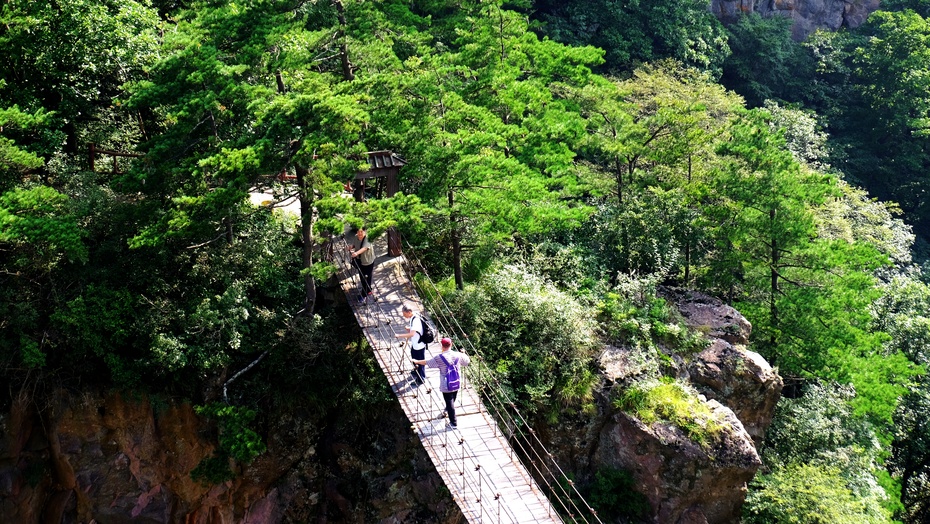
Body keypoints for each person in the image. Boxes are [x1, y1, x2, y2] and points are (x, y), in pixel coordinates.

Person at [412, 337, 470, 430]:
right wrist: (463, 353)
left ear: (442, 346)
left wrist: (416, 361)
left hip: (446, 384)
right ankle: (447, 410)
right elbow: (467, 362)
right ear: (451, 344)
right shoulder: (458, 355)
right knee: (452, 398)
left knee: (449, 401)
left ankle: (453, 423)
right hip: (456, 381)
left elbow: (428, 363)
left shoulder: (439, 358)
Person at [396, 303, 427, 385]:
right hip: (415, 344)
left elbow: (412, 334)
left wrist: (399, 336)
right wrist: (409, 328)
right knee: (413, 357)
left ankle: (421, 379)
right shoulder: (414, 316)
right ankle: (416, 371)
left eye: (404, 313)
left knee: (420, 361)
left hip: (419, 345)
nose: (403, 315)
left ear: (409, 312)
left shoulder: (416, 319)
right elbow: (416, 329)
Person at [346, 225, 375, 302]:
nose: (360, 233)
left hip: (368, 262)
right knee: (363, 277)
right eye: (358, 231)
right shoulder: (356, 237)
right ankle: (368, 290)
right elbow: (356, 244)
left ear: (365, 231)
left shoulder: (368, 239)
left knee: (365, 278)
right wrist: (351, 247)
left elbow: (365, 248)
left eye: (361, 231)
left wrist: (356, 253)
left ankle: (364, 294)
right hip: (360, 261)